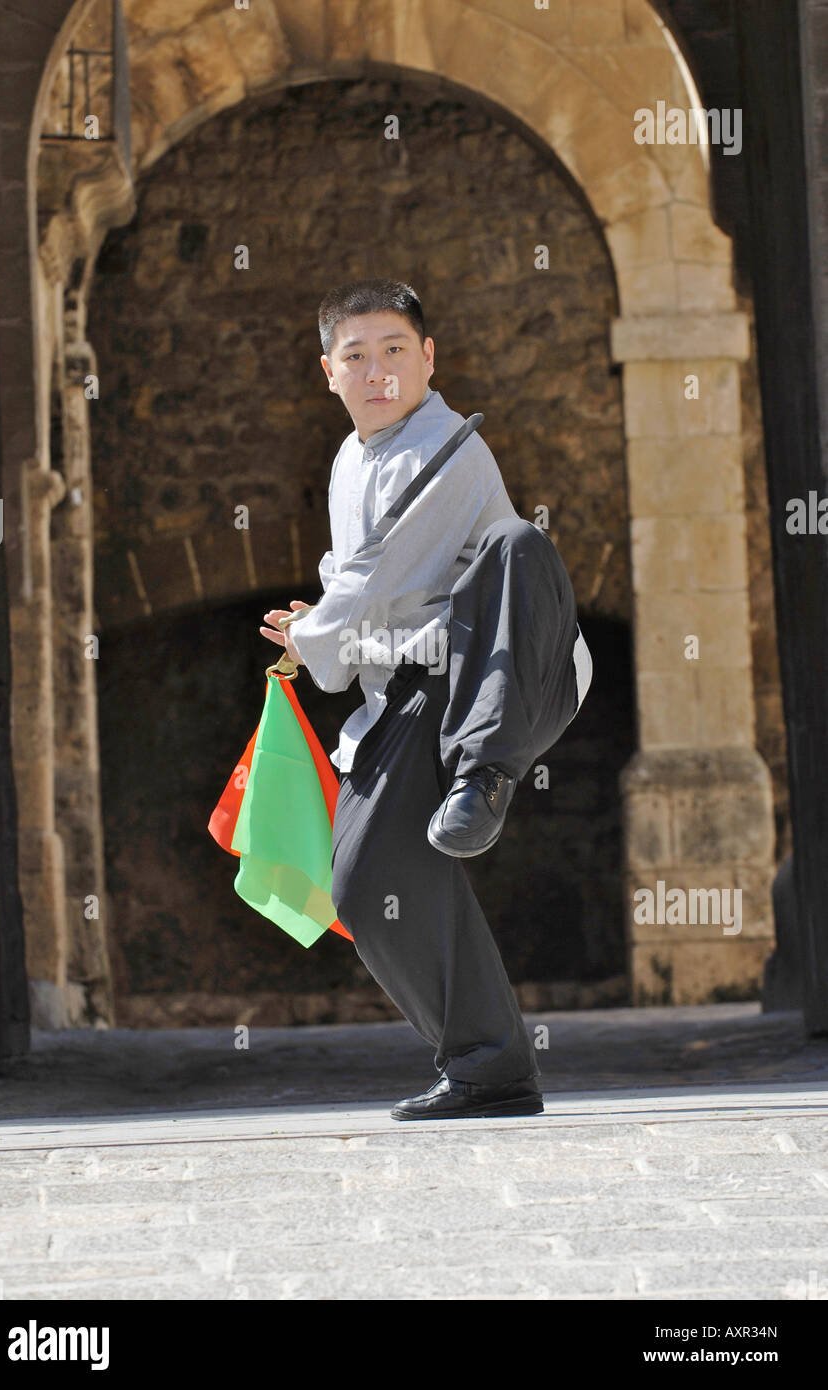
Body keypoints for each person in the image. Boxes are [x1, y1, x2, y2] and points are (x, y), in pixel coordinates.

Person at [260, 278, 592, 1120]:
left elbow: (377, 583)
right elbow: (357, 583)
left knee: (520, 544)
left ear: (428, 358)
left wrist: (316, 643)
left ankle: (484, 777)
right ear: (327, 371)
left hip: (492, 674)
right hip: (407, 687)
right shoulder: (350, 459)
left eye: (395, 352)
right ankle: (491, 1068)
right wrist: (323, 628)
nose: (378, 373)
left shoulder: (445, 448)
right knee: (368, 882)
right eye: (357, 357)